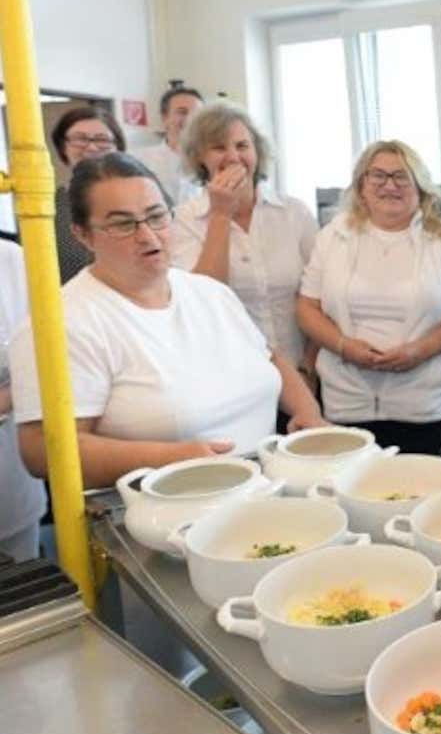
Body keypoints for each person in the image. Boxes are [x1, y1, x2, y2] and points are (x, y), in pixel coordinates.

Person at [9, 153, 323, 488]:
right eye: (122, 224)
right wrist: (170, 459)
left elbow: (268, 357)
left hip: (259, 490)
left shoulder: (209, 293)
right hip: (155, 513)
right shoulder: (65, 323)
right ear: (83, 235)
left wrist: (308, 412)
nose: (147, 236)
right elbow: (41, 451)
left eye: (157, 216)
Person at [296, 140, 441, 454]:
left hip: (422, 402)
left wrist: (420, 351)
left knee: (415, 493)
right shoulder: (334, 235)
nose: (389, 186)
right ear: (362, 185)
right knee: (348, 491)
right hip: (346, 398)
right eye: (378, 176)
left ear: (420, 186)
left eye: (401, 176)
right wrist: (344, 346)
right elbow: (307, 307)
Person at [170, 101, 319, 383]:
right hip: (232, 378)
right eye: (218, 148)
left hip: (302, 370)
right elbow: (203, 298)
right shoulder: (184, 221)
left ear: (257, 153)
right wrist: (220, 215)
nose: (233, 156)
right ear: (199, 158)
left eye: (242, 146)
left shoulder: (294, 213)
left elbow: (321, 297)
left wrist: (309, 368)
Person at [0, 240, 47, 560]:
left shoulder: (12, 260)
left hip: (10, 479)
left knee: (22, 588)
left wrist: (9, 395)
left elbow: (48, 352)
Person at [48, 106, 126, 283]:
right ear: (63, 147)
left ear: (118, 147)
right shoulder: (47, 207)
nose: (91, 147)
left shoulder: (141, 197)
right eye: (79, 139)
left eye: (102, 139)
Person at [133, 83, 203, 205]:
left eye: (197, 113)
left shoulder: (211, 161)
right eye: (182, 112)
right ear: (164, 117)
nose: (191, 119)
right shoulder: (140, 161)